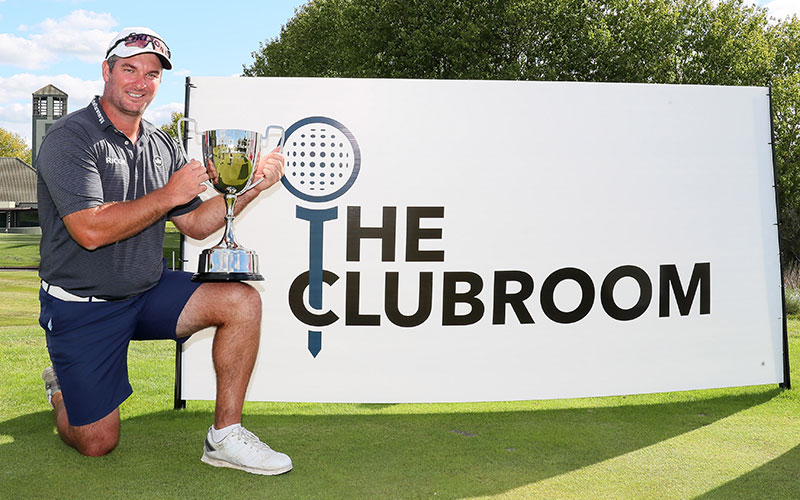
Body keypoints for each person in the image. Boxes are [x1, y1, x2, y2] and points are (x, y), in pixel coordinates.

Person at [35, 27, 292, 476]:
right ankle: (61, 390)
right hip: (83, 306)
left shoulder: (161, 144)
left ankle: (225, 436)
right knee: (97, 442)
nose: (140, 82)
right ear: (106, 71)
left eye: (152, 74)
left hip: (146, 292)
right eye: (129, 69)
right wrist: (169, 195)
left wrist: (250, 185)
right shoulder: (69, 138)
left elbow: (195, 223)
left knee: (242, 299)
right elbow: (89, 231)